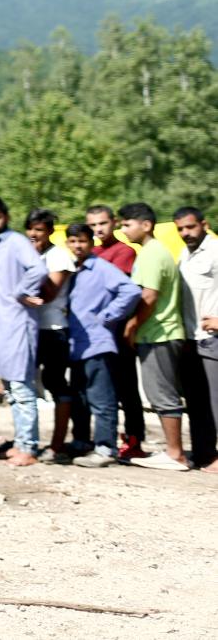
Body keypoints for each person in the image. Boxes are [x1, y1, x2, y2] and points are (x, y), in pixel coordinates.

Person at [62, 223, 143, 468]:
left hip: (97, 343)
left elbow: (130, 291)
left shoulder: (102, 268)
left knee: (102, 398)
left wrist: (107, 316)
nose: (78, 246)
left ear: (91, 243)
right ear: (67, 243)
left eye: (83, 241)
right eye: (73, 241)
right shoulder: (72, 270)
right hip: (77, 344)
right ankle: (82, 442)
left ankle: (105, 447)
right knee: (80, 398)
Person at [120, 202, 193, 471]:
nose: (123, 229)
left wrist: (132, 326)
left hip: (159, 334)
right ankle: (173, 451)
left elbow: (149, 297)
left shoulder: (152, 254)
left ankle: (176, 454)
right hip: (158, 333)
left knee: (162, 395)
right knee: (159, 393)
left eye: (127, 224)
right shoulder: (152, 252)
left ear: (146, 225)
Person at [0, 196, 48, 467]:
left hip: (18, 324)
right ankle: (21, 442)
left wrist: (21, 292)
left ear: (6, 217)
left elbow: (39, 268)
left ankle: (29, 447)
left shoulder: (17, 242)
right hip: (1, 326)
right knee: (11, 385)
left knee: (22, 387)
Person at [87, 204, 144, 460]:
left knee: (126, 388)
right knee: (101, 389)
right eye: (93, 225)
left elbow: (117, 291)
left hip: (117, 331)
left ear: (114, 222)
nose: (99, 229)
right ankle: (102, 438)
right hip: (94, 333)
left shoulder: (124, 251)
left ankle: (134, 440)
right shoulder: (92, 251)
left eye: (103, 223)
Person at [24, 209, 78, 461]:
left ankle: (57, 444)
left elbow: (48, 293)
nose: (34, 234)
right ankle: (26, 443)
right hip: (31, 328)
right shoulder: (31, 253)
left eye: (39, 230)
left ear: (49, 232)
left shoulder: (59, 257)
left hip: (54, 329)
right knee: (23, 385)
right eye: (31, 229)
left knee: (56, 384)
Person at [174, 206, 218, 473]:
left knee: (216, 402)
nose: (185, 233)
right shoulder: (184, 255)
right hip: (190, 339)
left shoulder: (215, 252)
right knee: (196, 403)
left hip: (212, 338)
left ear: (204, 224)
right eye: (180, 229)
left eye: (190, 227)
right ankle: (205, 455)